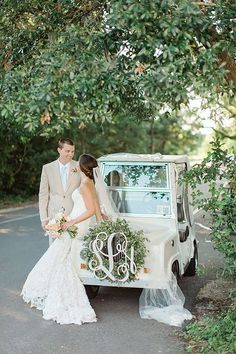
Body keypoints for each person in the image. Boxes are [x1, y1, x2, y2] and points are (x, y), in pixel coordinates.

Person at [21, 154, 103, 325]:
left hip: (76, 225)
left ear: (81, 168)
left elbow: (89, 210)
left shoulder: (84, 187)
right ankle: (51, 287)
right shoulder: (90, 183)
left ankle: (56, 292)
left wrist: (70, 222)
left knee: (58, 255)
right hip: (77, 223)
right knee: (59, 254)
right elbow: (95, 209)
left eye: (77, 164)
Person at [39, 138, 80, 245]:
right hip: (54, 217)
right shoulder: (47, 168)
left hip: (74, 216)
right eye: (67, 151)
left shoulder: (79, 167)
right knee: (54, 251)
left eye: (72, 151)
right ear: (59, 150)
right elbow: (43, 195)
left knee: (72, 250)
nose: (70, 154)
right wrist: (44, 218)